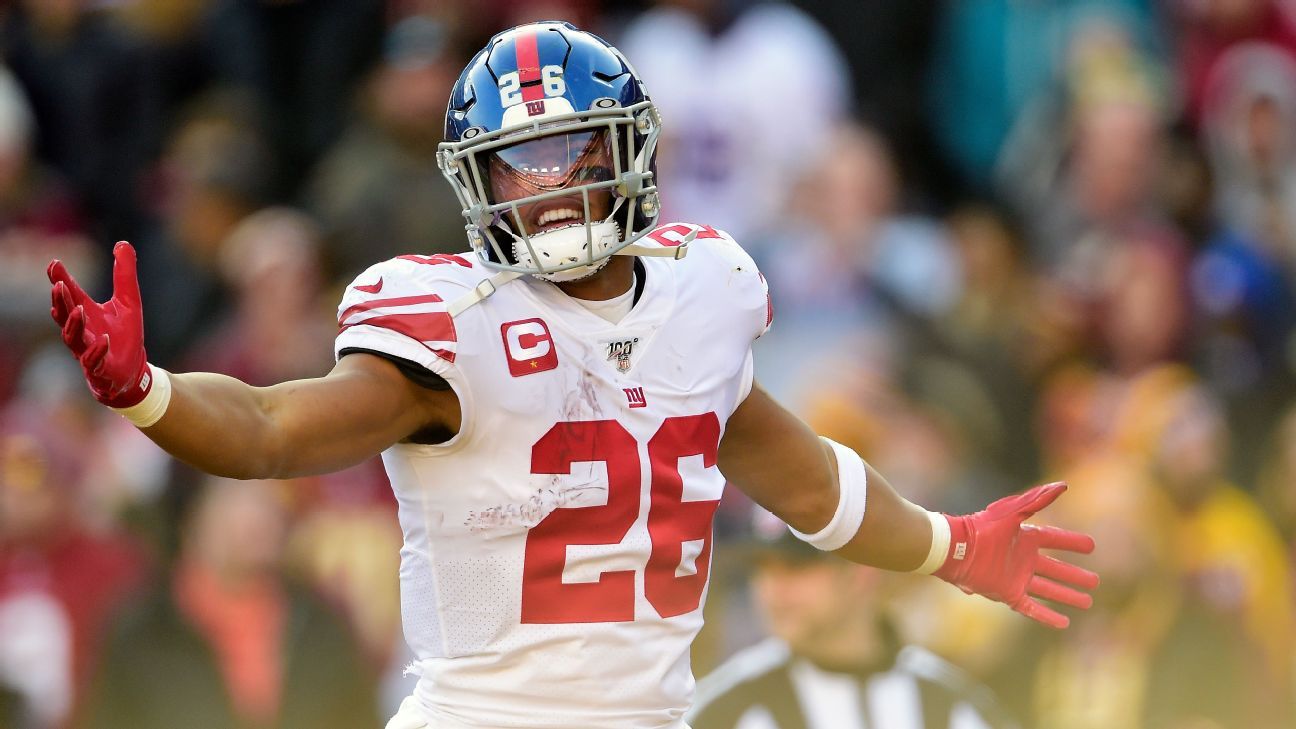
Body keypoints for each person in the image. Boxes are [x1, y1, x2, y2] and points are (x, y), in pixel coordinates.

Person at [44, 22, 1099, 729]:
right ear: (474, 179)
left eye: (570, 154)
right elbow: (273, 429)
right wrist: (151, 392)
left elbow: (808, 485)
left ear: (627, 152)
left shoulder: (703, 292)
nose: (546, 191)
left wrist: (951, 546)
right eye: (518, 165)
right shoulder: (449, 327)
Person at [688, 510, 1014, 729]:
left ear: (863, 572)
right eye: (763, 568)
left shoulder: (953, 706)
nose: (772, 590)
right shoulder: (721, 710)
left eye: (795, 566)